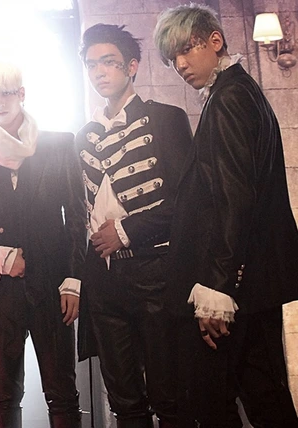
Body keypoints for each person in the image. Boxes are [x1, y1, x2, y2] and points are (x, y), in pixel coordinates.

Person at [154, 4, 298, 427]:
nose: (180, 65)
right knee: (263, 395)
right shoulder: (239, 91)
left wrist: (217, 288)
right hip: (251, 282)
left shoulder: (230, 98)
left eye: (186, 50)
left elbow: (234, 199)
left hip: (233, 286)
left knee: (215, 401)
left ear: (215, 41)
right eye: (172, 58)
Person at [76, 24, 193, 428]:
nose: (99, 71)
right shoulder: (84, 136)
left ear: (131, 66)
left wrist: (125, 231)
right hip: (105, 280)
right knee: (123, 401)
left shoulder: (165, 119)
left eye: (108, 62)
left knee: (170, 396)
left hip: (154, 273)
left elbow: (185, 203)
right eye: (92, 64)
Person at [0, 63, 85, 428]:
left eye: (6, 93)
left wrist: (73, 280)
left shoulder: (58, 144)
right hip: (0, 290)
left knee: (63, 392)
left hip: (53, 283)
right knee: (3, 394)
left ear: (21, 94)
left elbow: (76, 217)